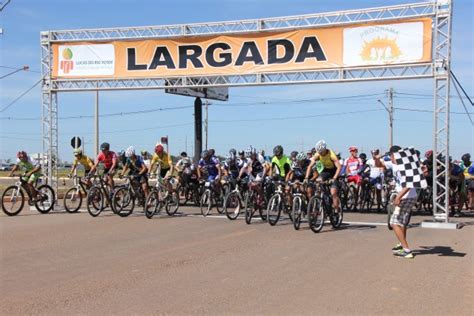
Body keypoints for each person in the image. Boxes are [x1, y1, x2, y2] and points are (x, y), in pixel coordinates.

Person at [377, 145, 417, 259]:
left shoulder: (404, 166)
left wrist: (398, 197)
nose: (390, 157)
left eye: (391, 155)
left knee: (394, 223)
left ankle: (407, 250)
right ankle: (402, 245)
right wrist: (376, 158)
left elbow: (409, 184)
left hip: (407, 196)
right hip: (408, 196)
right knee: (402, 222)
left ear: (396, 155)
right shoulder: (395, 164)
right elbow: (379, 164)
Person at [305, 140, 342, 214]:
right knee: (318, 181)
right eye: (319, 152)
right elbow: (310, 166)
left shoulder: (331, 154)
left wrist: (334, 178)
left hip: (334, 171)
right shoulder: (318, 154)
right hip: (325, 171)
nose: (320, 153)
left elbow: (339, 167)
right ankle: (320, 199)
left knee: (333, 192)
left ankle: (336, 209)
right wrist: (306, 178)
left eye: (322, 152)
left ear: (325, 149)